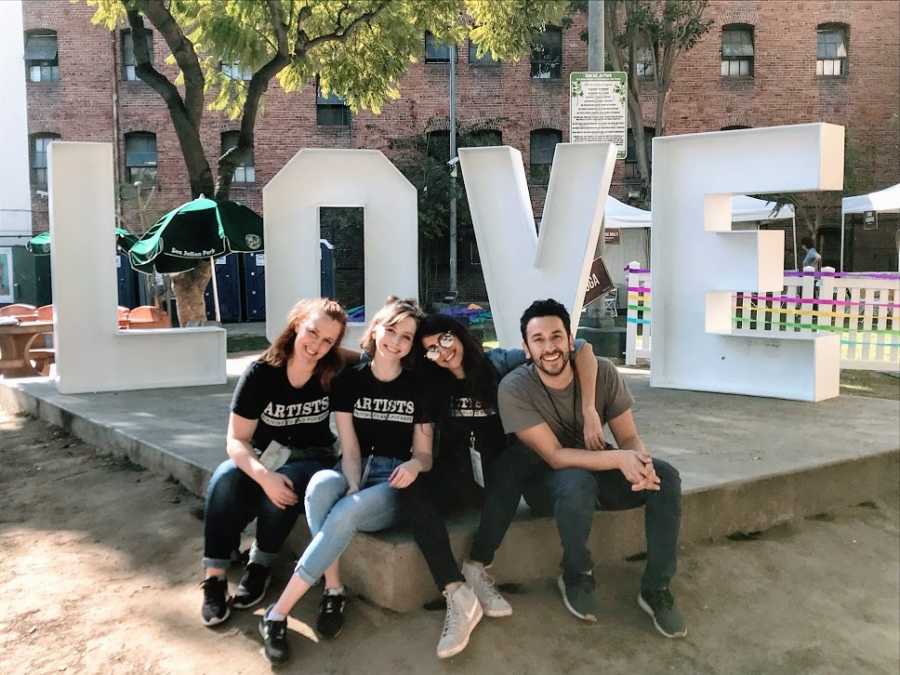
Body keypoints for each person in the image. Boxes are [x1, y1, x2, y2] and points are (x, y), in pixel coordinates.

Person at [477, 299, 686, 638]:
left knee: (666, 477)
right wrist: (619, 458)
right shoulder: (515, 388)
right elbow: (557, 457)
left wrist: (640, 462)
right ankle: (576, 573)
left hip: (598, 468)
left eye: (556, 337)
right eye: (539, 340)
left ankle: (656, 588)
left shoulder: (601, 372)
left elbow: (629, 435)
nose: (549, 347)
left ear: (570, 339)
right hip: (547, 483)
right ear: (526, 348)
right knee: (575, 482)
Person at [400, 313, 602, 659]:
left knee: (525, 450)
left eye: (445, 340)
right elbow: (423, 449)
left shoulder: (499, 362)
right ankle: (457, 591)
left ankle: (478, 565)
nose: (442, 353)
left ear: (459, 334)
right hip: (457, 479)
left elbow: (582, 348)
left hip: (502, 476)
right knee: (408, 487)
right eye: (431, 350)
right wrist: (416, 464)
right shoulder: (431, 385)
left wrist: (589, 409)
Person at [258, 297, 433, 665]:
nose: (396, 342)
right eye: (390, 330)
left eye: (406, 336)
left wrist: (415, 467)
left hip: (393, 482)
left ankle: (277, 613)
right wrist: (351, 485)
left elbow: (424, 454)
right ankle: (333, 589)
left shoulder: (418, 386)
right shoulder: (348, 381)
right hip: (354, 469)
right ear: (375, 330)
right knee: (322, 485)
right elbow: (350, 448)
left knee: (347, 512)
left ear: (412, 344)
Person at [201, 298, 347, 627]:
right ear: (296, 325)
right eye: (313, 333)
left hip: (314, 457)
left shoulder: (331, 372)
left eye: (328, 341)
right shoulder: (261, 374)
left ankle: (260, 565)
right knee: (225, 477)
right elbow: (236, 440)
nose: (317, 346)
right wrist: (263, 475)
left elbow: (371, 358)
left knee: (287, 481)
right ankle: (214, 575)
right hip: (267, 456)